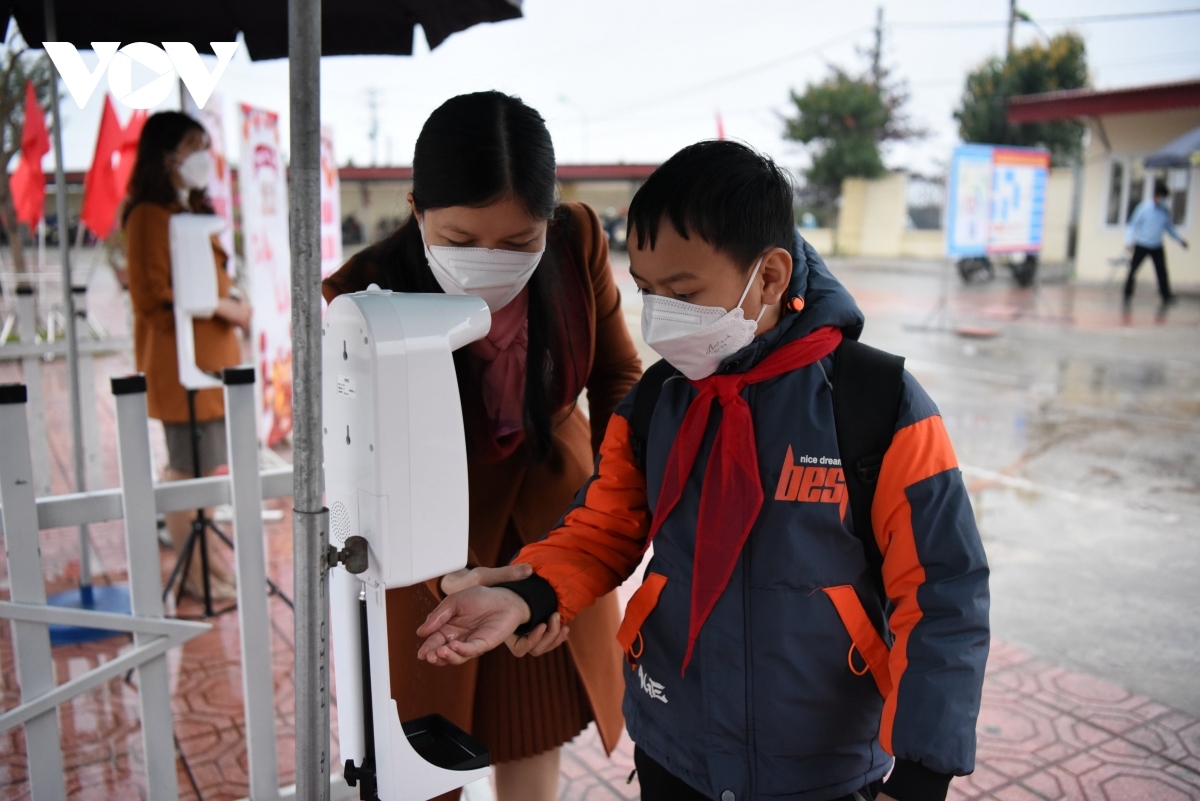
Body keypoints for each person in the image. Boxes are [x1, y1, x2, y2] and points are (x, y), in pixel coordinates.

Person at [416, 141, 991, 801]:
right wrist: (527, 592)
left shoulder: (878, 407)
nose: (660, 317)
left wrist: (919, 777)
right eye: (648, 290)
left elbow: (944, 592)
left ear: (770, 277)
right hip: (675, 749)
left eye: (683, 292)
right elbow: (604, 527)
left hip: (823, 770)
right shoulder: (660, 402)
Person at [321, 91, 641, 801]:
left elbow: (620, 376)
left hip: (558, 522)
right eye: (461, 241)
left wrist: (571, 555)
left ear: (550, 218)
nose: (489, 261)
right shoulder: (364, 296)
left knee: (534, 738)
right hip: (432, 559)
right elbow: (368, 467)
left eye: (519, 241)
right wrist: (466, 584)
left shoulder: (578, 241)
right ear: (416, 209)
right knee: (426, 756)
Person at [123, 111, 252, 601]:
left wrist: (233, 303)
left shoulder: (190, 212)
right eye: (193, 143)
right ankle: (194, 576)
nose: (203, 154)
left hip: (213, 367)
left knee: (205, 466)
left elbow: (214, 279)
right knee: (187, 467)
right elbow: (155, 295)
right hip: (182, 370)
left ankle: (206, 565)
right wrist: (224, 307)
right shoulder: (147, 216)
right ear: (166, 154)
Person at [1125, 180, 1189, 308]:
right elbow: (1132, 225)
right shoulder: (1144, 208)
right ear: (1157, 195)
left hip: (1156, 245)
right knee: (1133, 269)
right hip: (1142, 244)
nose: (1164, 200)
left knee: (1162, 271)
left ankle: (1166, 295)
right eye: (1163, 197)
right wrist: (1129, 241)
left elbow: (1169, 229)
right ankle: (1127, 293)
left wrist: (1180, 240)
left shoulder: (1164, 211)